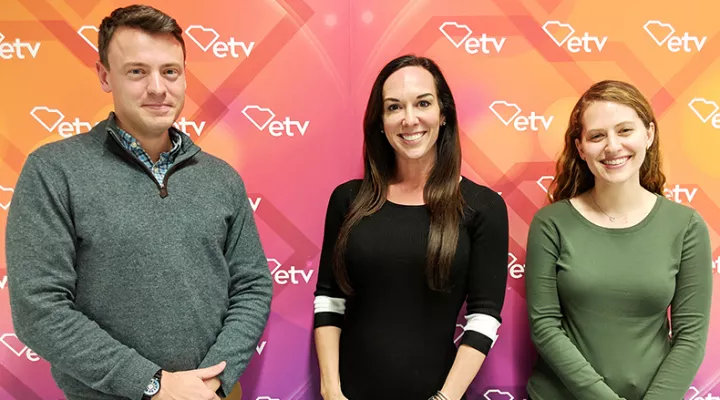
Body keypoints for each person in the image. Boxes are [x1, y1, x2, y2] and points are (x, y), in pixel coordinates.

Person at [5, 4, 272, 400]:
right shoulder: (53, 171)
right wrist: (153, 385)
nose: (157, 88)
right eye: (137, 71)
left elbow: (252, 286)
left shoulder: (221, 179)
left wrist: (213, 382)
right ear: (104, 76)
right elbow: (38, 309)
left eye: (170, 71)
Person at [312, 54, 509, 400]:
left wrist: (446, 398)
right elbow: (329, 298)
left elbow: (484, 317)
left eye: (423, 103)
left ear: (443, 113)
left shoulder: (484, 207)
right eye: (393, 107)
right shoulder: (348, 200)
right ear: (380, 121)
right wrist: (331, 389)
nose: (409, 119)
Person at [525, 80, 712, 400]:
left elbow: (691, 339)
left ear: (649, 134)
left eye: (625, 130)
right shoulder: (551, 224)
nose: (612, 146)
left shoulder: (687, 226)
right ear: (581, 148)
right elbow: (544, 327)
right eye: (597, 136)